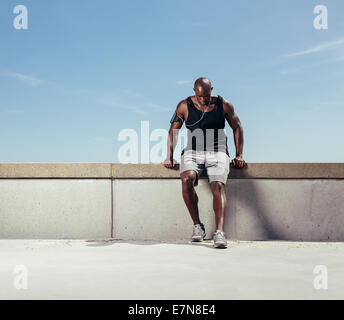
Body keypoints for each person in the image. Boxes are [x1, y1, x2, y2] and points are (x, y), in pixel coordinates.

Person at [164, 77, 246, 248]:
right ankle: (197, 226)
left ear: (211, 90)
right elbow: (173, 131)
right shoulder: (183, 106)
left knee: (217, 185)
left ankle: (219, 233)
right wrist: (169, 156)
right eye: (200, 97)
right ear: (194, 91)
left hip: (218, 150)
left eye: (207, 96)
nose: (204, 100)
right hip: (193, 151)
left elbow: (237, 127)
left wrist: (239, 155)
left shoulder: (224, 105)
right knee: (187, 179)